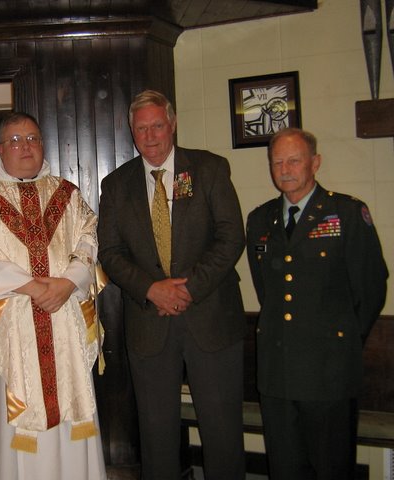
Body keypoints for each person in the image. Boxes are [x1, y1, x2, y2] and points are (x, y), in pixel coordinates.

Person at [97, 90, 247, 480]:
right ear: (131, 131)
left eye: (157, 126)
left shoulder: (209, 169)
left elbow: (231, 236)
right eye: (141, 128)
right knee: (156, 438)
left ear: (173, 124)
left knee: (223, 435)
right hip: (150, 325)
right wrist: (151, 289)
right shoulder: (116, 185)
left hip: (211, 320)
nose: (149, 136)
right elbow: (110, 253)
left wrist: (188, 289)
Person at [0, 112, 106, 480]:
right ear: (0, 149)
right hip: (9, 327)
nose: (25, 147)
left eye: (33, 138)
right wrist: (35, 288)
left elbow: (88, 239)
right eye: (16, 140)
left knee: (71, 414)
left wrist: (67, 283)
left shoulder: (67, 194)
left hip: (64, 318)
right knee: (10, 428)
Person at [246, 127, 388, 480]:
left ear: (315, 163)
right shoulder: (260, 219)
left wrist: (342, 342)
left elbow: (370, 288)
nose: (285, 169)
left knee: (331, 468)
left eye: (294, 160)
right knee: (285, 468)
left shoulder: (346, 213)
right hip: (277, 373)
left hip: (329, 372)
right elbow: (267, 289)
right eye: (277, 162)